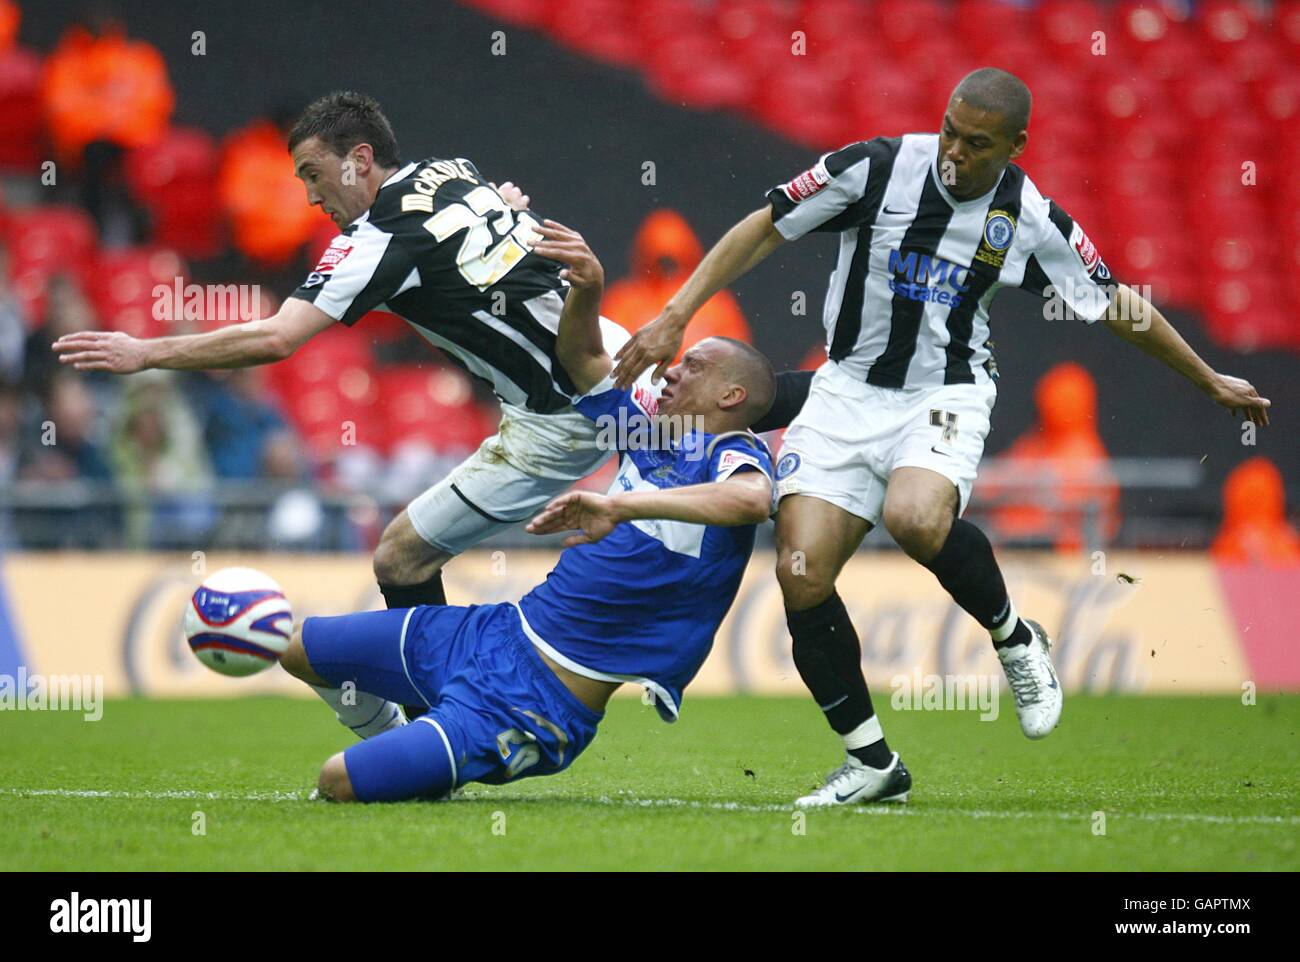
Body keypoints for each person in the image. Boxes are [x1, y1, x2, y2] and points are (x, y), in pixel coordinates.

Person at [612, 67, 1272, 807]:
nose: (956, 154)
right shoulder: (876, 168)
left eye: (977, 143)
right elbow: (763, 226)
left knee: (916, 517)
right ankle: (872, 763)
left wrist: (1208, 378)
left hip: (944, 391)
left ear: (1017, 147)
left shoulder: (1026, 217)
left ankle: (1016, 638)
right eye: (951, 132)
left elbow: (1113, 301)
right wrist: (677, 313)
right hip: (846, 388)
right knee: (800, 571)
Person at [54, 91, 809, 648]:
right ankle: (859, 409)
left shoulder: (375, 238)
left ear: (359, 159)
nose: (312, 197)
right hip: (599, 364)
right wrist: (504, 211)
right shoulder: (453, 170)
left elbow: (282, 338)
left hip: (558, 415)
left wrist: (146, 351)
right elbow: (492, 228)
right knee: (744, 408)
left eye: (315, 175)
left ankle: (441, 704)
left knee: (401, 556)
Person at [276, 221, 783, 802]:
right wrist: (585, 289)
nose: (671, 368)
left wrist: (618, 506)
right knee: (299, 651)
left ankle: (408, 760)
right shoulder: (648, 431)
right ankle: (401, 745)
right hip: (493, 632)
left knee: (337, 781)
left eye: (694, 366)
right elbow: (581, 358)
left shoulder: (733, 451)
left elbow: (751, 501)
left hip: (539, 701)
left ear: (731, 397)